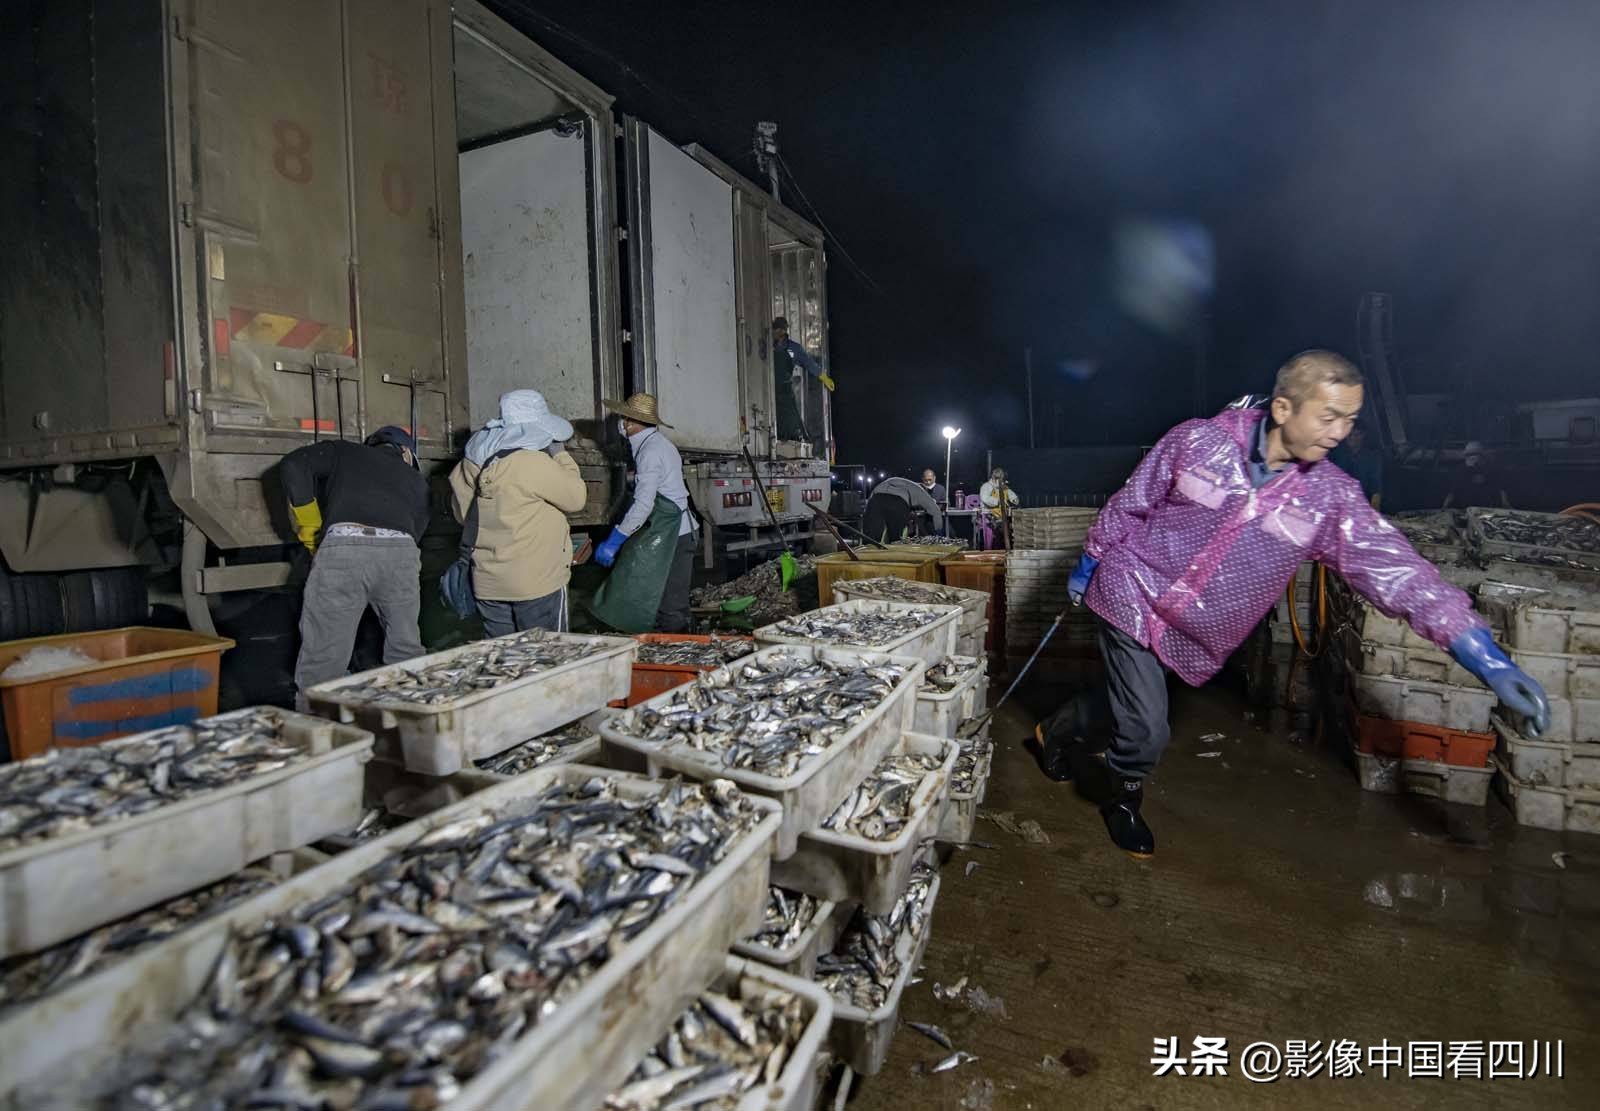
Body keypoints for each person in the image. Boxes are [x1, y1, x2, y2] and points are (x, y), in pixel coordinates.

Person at [1035, 350, 1550, 859]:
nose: (1341, 431)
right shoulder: (1196, 441)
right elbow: (1133, 501)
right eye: (1329, 416)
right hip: (1132, 589)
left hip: (1193, 627)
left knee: (1132, 703)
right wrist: (1091, 562)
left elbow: (1398, 571)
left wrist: (1484, 655)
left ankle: (1054, 729)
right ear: (1283, 409)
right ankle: (1123, 796)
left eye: (1349, 418)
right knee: (1147, 726)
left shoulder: (1328, 498)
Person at [282, 426, 430, 698]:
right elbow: (417, 530)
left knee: (324, 658)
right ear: (407, 452)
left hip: (345, 547)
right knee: (406, 650)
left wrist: (311, 528)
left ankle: (322, 728)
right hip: (400, 553)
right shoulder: (415, 478)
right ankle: (415, 720)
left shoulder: (344, 451)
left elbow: (293, 465)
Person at [449, 389, 587, 637]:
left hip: (488, 583)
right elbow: (576, 498)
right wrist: (562, 456)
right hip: (536, 583)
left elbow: (464, 517)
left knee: (504, 659)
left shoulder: (468, 464)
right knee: (549, 657)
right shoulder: (532, 461)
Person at [593, 392, 698, 632]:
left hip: (675, 537)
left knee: (671, 605)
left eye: (623, 419)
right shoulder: (659, 444)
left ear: (630, 422)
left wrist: (616, 539)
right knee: (668, 600)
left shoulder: (650, 451)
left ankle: (677, 657)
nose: (621, 423)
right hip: (675, 530)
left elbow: (643, 505)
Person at [772, 316, 835, 443]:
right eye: (776, 330)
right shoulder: (767, 345)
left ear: (784, 331)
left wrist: (823, 376)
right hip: (769, 390)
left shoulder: (794, 348)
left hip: (784, 391)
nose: (778, 333)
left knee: (791, 420)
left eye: (781, 330)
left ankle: (797, 441)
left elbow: (809, 363)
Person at [861, 475, 943, 542]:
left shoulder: (903, 482)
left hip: (875, 499)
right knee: (895, 539)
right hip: (897, 502)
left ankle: (864, 558)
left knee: (870, 538)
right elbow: (935, 511)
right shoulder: (921, 490)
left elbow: (872, 498)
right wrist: (938, 534)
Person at [1329, 424, 1384, 509]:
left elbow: (1375, 488)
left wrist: (1374, 512)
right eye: (1350, 435)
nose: (1353, 438)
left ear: (1363, 435)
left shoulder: (1371, 458)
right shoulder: (1335, 456)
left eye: (1357, 435)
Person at [979, 467, 1019, 547]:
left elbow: (1012, 495)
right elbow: (985, 498)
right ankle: (1000, 547)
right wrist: (998, 501)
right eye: (1001, 480)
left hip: (1004, 516)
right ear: (995, 478)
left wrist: (1015, 499)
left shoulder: (1004, 487)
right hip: (991, 516)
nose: (1003, 482)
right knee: (1001, 530)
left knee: (1015, 525)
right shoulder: (986, 487)